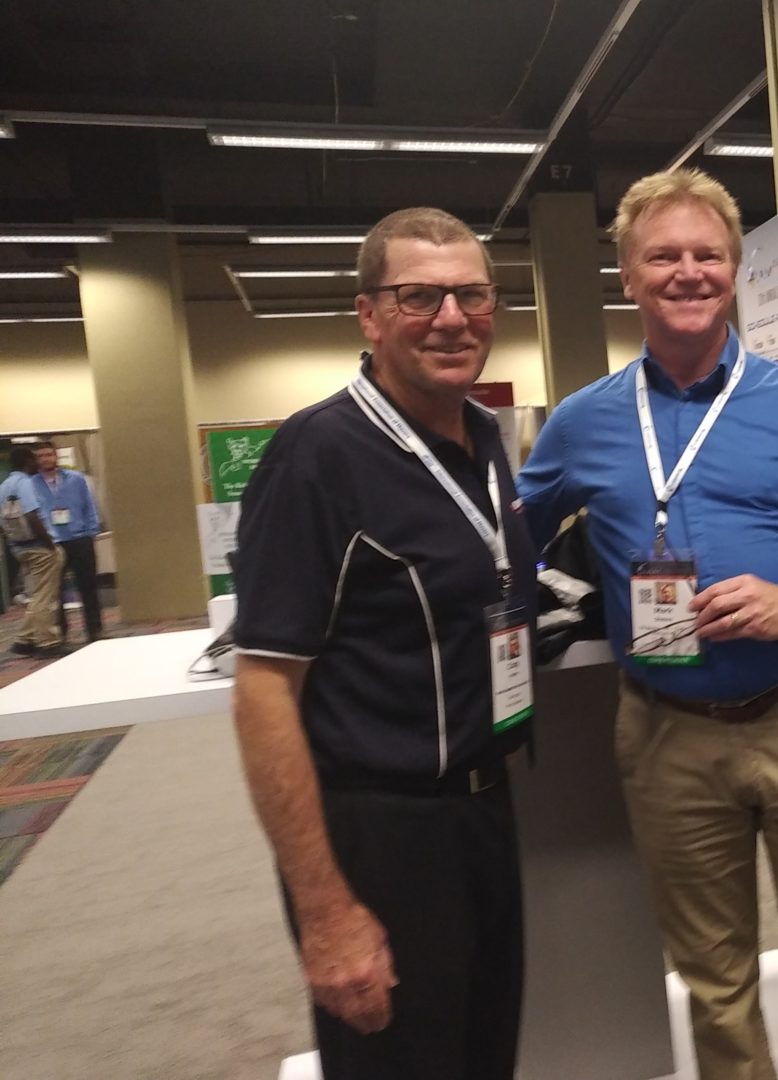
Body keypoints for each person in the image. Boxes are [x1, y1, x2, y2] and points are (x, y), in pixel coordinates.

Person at [517, 167, 778, 1080]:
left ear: (733, 270)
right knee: (714, 981)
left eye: (707, 255)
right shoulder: (583, 423)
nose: (687, 272)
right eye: (664, 256)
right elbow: (504, 541)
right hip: (667, 738)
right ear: (627, 274)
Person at [231, 207, 538, 1080]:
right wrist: (326, 912)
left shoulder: (482, 435)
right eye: (419, 297)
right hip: (381, 834)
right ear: (369, 315)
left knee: (483, 1054)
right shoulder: (317, 455)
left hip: (483, 810)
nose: (451, 317)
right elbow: (263, 691)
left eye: (472, 294)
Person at [31, 440, 104, 643]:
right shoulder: (32, 484)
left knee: (88, 586)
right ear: (37, 460)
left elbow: (89, 505)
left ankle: (95, 630)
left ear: (56, 456)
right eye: (41, 456)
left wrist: (91, 531)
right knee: (56, 591)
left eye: (49, 454)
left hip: (80, 537)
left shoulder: (75, 478)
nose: (46, 459)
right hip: (52, 542)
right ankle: (61, 633)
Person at [2, 446, 66, 657]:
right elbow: (32, 515)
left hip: (18, 548)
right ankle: (47, 642)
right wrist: (50, 545)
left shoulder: (4, 486)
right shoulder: (25, 483)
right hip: (38, 547)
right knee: (45, 597)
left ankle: (24, 638)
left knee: (36, 593)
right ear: (28, 462)